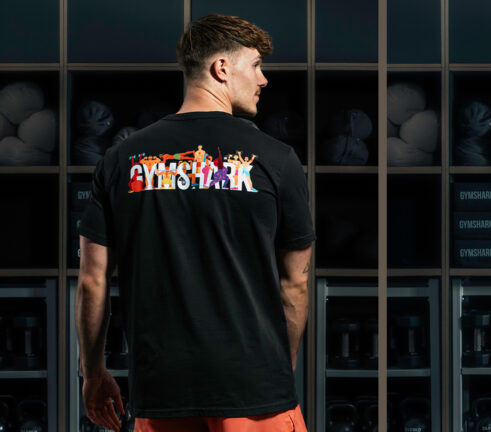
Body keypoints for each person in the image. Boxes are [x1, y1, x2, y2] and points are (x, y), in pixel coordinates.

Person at [76, 14, 314, 432]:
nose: (264, 80)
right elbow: (294, 282)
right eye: (256, 65)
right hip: (254, 388)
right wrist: (278, 367)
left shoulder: (120, 159)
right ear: (221, 68)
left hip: (163, 390)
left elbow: (92, 280)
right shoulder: (277, 159)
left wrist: (93, 374)